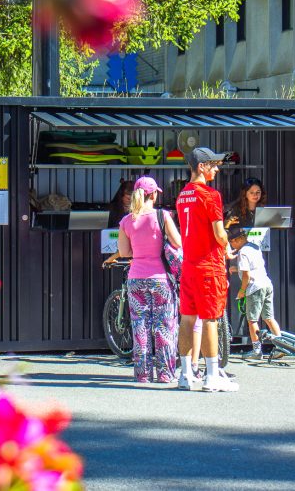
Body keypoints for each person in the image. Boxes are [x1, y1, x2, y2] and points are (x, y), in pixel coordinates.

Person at [175, 147, 238, 392]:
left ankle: (185, 374)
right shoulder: (210, 195)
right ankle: (212, 376)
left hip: (189, 265)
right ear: (201, 166)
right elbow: (219, 233)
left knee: (187, 319)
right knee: (211, 319)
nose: (216, 168)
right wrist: (228, 248)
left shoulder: (183, 195)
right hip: (209, 266)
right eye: (213, 164)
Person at [115, 176, 183, 383]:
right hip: (161, 279)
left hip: (136, 278)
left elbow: (124, 252)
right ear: (153, 194)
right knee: (163, 327)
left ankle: (143, 374)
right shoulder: (162, 216)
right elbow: (178, 243)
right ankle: (164, 374)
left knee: (140, 327)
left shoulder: (126, 221)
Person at [228, 227, 280, 360]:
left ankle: (257, 350)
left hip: (254, 287)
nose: (231, 245)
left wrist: (242, 291)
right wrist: (236, 268)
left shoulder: (243, 253)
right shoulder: (254, 247)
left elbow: (246, 274)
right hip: (266, 284)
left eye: (231, 242)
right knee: (269, 318)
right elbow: (253, 266)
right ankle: (281, 347)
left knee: (252, 320)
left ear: (236, 240)